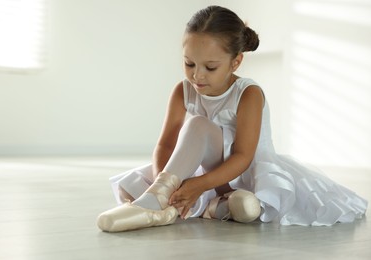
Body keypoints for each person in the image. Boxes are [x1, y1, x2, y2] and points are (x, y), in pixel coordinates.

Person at [97, 5, 368, 232]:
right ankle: (187, 204)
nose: (197, 76)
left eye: (210, 67)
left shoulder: (248, 93)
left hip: (242, 173)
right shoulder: (183, 91)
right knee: (130, 186)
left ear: (235, 62)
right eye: (189, 63)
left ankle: (200, 203)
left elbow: (243, 157)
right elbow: (165, 145)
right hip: (201, 173)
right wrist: (163, 184)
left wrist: (197, 185)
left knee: (202, 131)